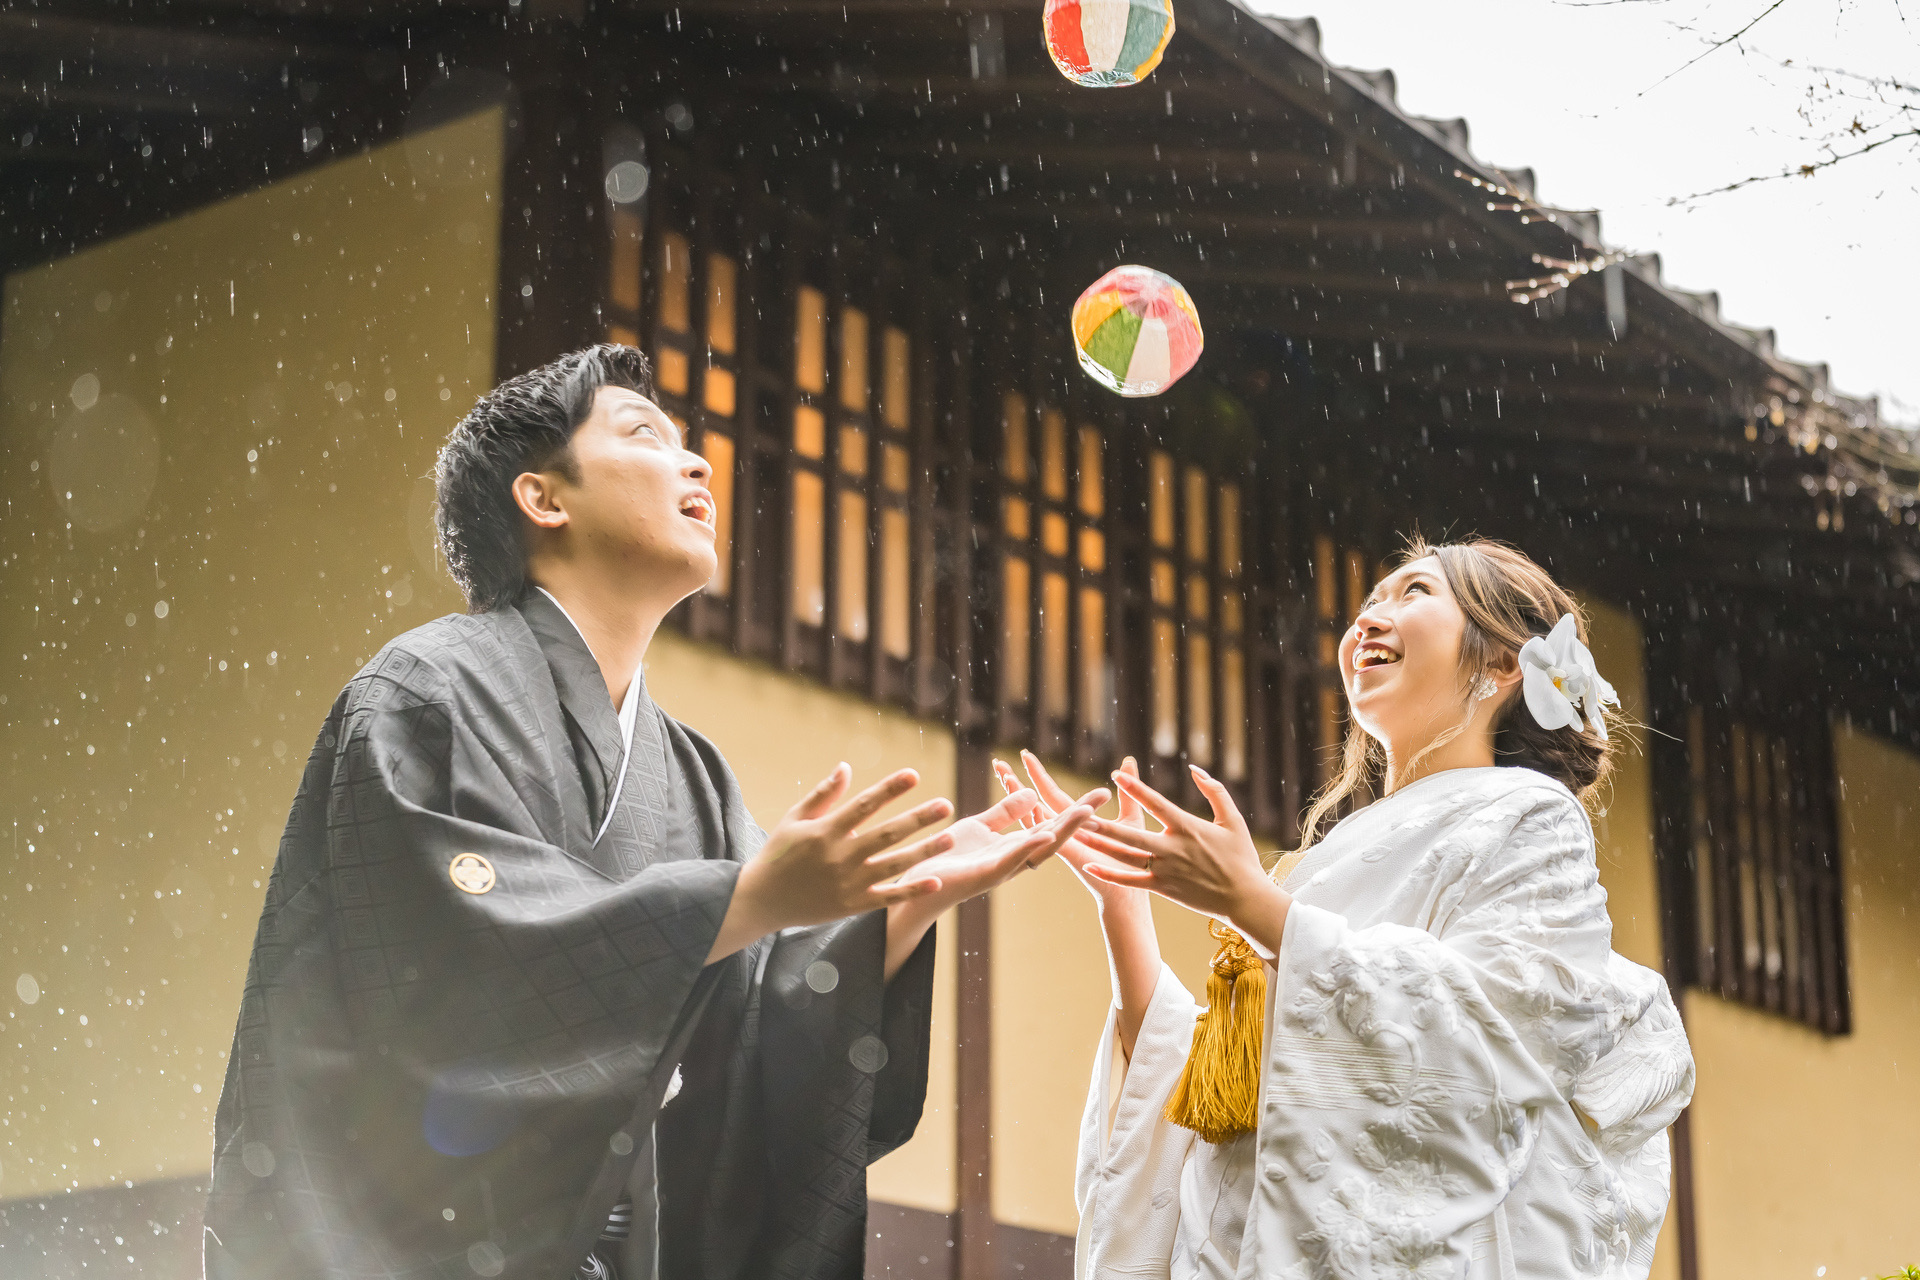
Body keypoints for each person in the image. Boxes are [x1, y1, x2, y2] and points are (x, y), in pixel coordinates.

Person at [204, 344, 1103, 1280]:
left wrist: (897, 907)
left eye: (688, 445)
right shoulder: (423, 692)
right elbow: (447, 980)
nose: (698, 462)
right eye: (644, 435)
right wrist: (742, 901)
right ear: (544, 499)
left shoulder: (694, 775)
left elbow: (760, 1026)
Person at [1001, 537, 1694, 1280]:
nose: (1370, 617)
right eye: (1369, 602)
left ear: (1503, 664)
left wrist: (1258, 908)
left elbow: (1496, 1040)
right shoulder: (1326, 856)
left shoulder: (1530, 817)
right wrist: (1124, 910)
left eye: (1413, 594)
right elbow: (1220, 1102)